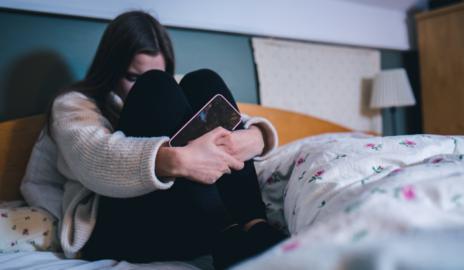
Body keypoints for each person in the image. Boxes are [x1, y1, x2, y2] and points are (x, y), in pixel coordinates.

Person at [20, 10, 287, 269]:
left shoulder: (174, 93)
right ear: (110, 69)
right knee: (156, 88)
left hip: (183, 227)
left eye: (155, 72)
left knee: (204, 82)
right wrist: (180, 160)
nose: (137, 86)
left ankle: (255, 228)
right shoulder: (74, 105)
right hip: (115, 233)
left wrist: (255, 137)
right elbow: (95, 157)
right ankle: (226, 233)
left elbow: (237, 118)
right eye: (132, 77)